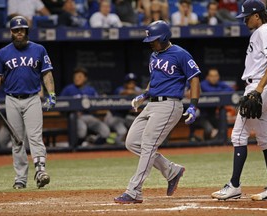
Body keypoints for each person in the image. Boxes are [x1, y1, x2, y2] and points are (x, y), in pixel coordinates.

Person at [114, 20, 201, 204]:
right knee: (132, 142)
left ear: (164, 37)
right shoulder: (154, 55)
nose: (151, 43)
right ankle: (171, 171)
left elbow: (194, 79)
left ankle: (134, 191)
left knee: (148, 145)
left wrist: (193, 105)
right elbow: (155, 79)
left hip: (169, 105)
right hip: (151, 104)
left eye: (154, 40)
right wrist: (144, 95)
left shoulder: (180, 53)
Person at [211, 0, 267, 201]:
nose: (244, 21)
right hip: (262, 87)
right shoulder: (263, 31)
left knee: (238, 135)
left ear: (257, 15)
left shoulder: (264, 31)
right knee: (265, 139)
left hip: (257, 87)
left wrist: (259, 88)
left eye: (247, 17)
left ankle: (234, 185)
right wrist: (265, 85)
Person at [0, 16, 56, 189]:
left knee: (35, 137)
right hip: (12, 99)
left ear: (26, 31)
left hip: (32, 99)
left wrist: (51, 93)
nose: (19, 33)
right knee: (17, 141)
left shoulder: (39, 49)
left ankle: (40, 171)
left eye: (22, 30)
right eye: (16, 30)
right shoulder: (3, 53)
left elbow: (47, 73)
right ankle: (20, 178)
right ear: (11, 32)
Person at [60, 67, 111, 145]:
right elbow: (60, 105)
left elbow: (98, 104)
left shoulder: (91, 90)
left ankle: (92, 146)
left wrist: (102, 99)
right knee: (82, 131)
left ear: (85, 78)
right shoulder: (68, 89)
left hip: (90, 117)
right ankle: (78, 150)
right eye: (75, 77)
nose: (77, 79)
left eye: (80, 77)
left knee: (105, 131)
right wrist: (71, 112)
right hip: (76, 118)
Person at [104, 73, 142, 145]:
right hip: (113, 117)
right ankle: (111, 143)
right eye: (129, 83)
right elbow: (123, 92)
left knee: (138, 123)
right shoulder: (119, 89)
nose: (131, 85)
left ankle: (136, 143)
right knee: (122, 131)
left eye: (133, 83)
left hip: (124, 117)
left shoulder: (137, 90)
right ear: (125, 83)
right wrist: (134, 92)